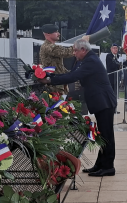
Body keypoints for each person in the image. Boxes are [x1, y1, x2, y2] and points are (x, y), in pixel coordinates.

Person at [38, 39, 117, 176]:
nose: (73, 53)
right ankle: (101, 164)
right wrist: (50, 76)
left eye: (75, 50)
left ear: (83, 50)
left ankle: (108, 167)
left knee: (107, 135)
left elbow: (74, 76)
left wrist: (50, 80)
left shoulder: (90, 61)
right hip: (101, 102)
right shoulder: (86, 60)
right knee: (103, 134)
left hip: (104, 102)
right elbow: (70, 73)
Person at [40, 24, 74, 95]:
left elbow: (58, 66)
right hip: (54, 86)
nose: (59, 34)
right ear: (48, 34)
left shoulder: (51, 46)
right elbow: (66, 52)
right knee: (58, 105)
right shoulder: (48, 47)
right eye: (55, 32)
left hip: (58, 83)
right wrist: (79, 45)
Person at [106, 44, 121, 114]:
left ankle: (114, 108)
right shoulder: (109, 56)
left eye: (116, 48)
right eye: (114, 48)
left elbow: (119, 66)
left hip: (116, 78)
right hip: (111, 78)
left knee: (115, 95)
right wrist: (118, 64)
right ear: (111, 49)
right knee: (110, 94)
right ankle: (110, 108)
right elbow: (111, 66)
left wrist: (118, 64)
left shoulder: (118, 56)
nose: (116, 49)